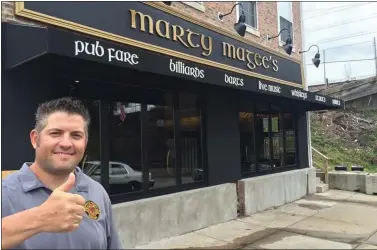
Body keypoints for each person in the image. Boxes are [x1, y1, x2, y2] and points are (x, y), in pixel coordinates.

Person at [1, 97, 123, 249]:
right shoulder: (5, 194)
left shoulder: (97, 191)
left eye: (76, 135)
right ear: (35, 139)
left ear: (85, 143)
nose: (66, 143)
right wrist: (40, 218)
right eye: (55, 133)